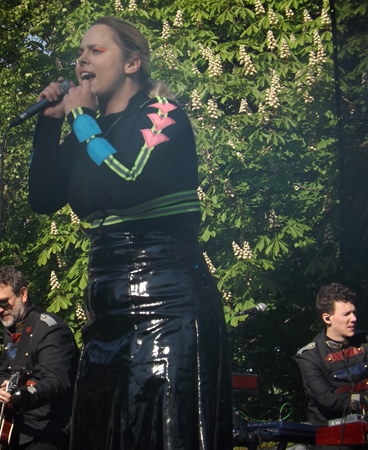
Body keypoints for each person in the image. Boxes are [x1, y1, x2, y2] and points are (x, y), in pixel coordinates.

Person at [28, 16, 232, 450]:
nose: (82, 60)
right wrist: (49, 124)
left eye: (96, 50)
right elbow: (43, 198)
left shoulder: (162, 116)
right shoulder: (89, 130)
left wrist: (81, 119)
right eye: (79, 53)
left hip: (168, 305)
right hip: (106, 312)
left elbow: (126, 183)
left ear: (132, 64)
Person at [0, 266, 79, 450]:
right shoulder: (11, 330)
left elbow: (57, 382)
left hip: (51, 431)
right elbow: (7, 373)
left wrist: (21, 395)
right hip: (19, 431)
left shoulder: (51, 330)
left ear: (23, 294)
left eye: (3, 302)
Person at [295, 282, 368, 434]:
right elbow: (326, 399)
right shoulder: (309, 356)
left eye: (354, 312)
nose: (354, 318)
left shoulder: (366, 342)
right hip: (328, 436)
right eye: (346, 314)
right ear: (327, 318)